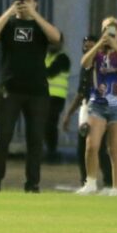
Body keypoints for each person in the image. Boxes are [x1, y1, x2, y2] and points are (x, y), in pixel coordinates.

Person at [0, 0, 61, 193]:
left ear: (35, 3)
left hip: (37, 91)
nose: (23, 2)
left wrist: (34, 14)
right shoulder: (8, 24)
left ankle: (32, 183)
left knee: (35, 139)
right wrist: (9, 12)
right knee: (3, 136)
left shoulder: (40, 26)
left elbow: (56, 38)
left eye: (27, 0)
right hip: (9, 89)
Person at [76, 17, 117, 196]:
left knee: (114, 149)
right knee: (91, 145)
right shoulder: (97, 54)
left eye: (114, 30)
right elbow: (85, 63)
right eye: (107, 29)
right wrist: (99, 44)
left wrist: (115, 45)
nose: (110, 32)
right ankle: (91, 182)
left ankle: (116, 188)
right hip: (98, 105)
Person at [62, 35, 112, 187]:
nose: (88, 50)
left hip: (100, 108)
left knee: (100, 148)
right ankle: (86, 181)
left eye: (91, 47)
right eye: (86, 47)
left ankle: (109, 182)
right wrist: (69, 114)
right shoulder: (85, 65)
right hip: (86, 108)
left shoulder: (103, 63)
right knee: (82, 147)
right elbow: (81, 92)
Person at [43, 35, 71, 163]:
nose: (51, 45)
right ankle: (47, 151)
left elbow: (50, 72)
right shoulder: (46, 57)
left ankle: (52, 152)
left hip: (56, 97)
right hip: (44, 95)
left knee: (50, 124)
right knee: (44, 124)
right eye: (50, 42)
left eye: (55, 42)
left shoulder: (63, 58)